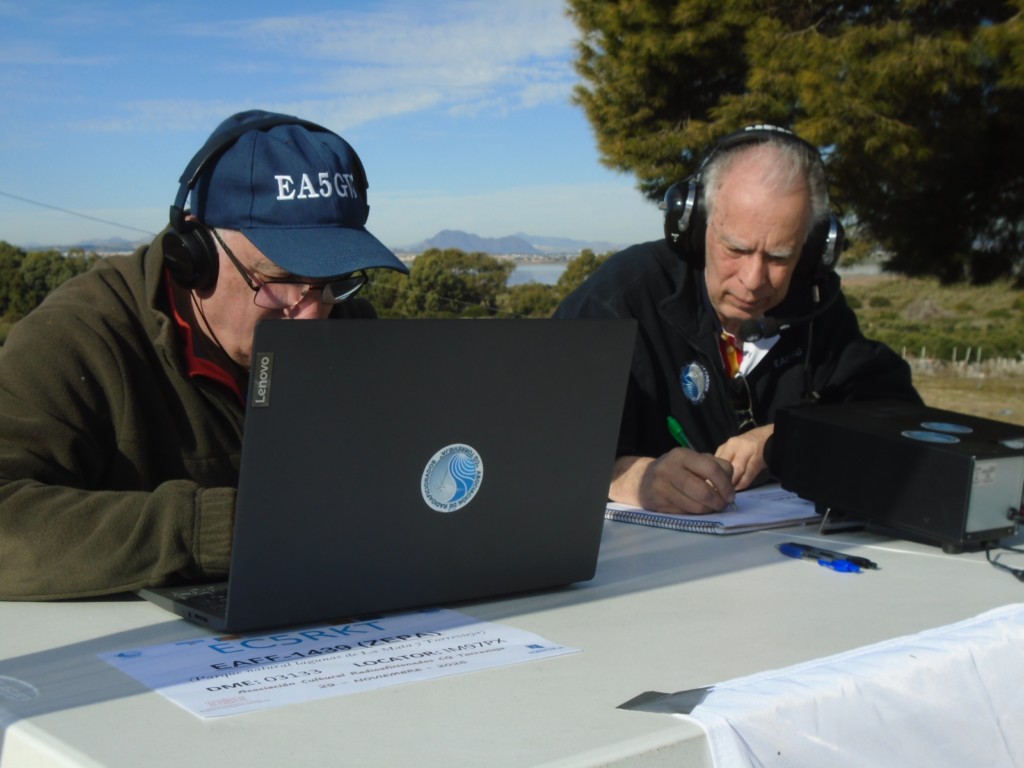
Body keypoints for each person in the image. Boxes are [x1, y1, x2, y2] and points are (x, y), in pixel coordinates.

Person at [0, 110, 409, 600]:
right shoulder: (79, 338)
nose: (310, 317)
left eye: (333, 282)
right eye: (280, 280)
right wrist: (213, 530)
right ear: (194, 255)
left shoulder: (346, 326)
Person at [554, 124, 921, 515]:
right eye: (736, 249)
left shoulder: (817, 307)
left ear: (812, 250)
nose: (753, 280)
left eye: (779, 257)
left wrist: (782, 438)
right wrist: (632, 477)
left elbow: (899, 419)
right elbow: (544, 438)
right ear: (696, 225)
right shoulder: (620, 299)